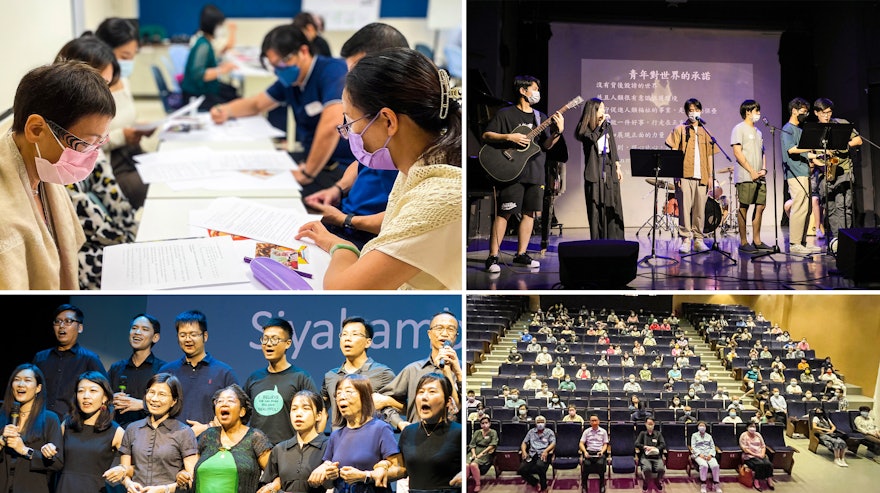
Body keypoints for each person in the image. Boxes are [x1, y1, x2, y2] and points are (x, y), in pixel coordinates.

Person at [295, 48, 462, 289]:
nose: (349, 134)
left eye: (351, 122)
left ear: (388, 121)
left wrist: (342, 247)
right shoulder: (416, 168)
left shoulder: (441, 195)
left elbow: (342, 290)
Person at [0, 61, 115, 289]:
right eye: (85, 144)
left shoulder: (40, 168)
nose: (91, 155)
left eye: (100, 143)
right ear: (36, 129)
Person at [211, 25, 355, 197]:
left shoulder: (332, 71)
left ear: (303, 51)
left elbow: (332, 124)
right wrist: (225, 110)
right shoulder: (291, 80)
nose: (280, 70)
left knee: (271, 194)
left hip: (339, 168)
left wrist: (307, 173)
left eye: (282, 62)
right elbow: (257, 104)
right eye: (273, 66)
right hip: (309, 159)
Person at [303, 23, 409, 249]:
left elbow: (404, 221)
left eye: (359, 71)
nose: (354, 81)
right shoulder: (373, 113)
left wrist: (345, 220)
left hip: (368, 237)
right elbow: (362, 161)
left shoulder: (409, 127)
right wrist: (338, 189)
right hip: (347, 218)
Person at [53, 35, 140, 289]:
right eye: (100, 84)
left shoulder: (92, 131)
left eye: (108, 85)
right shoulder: (56, 141)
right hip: (80, 259)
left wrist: (131, 233)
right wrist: (126, 245)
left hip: (107, 245)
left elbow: (111, 191)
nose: (106, 94)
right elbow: (85, 220)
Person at [481, 75, 563, 273]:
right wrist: (509, 137)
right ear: (523, 91)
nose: (537, 93)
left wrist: (558, 133)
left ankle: (521, 254)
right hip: (511, 171)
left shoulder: (540, 117)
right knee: (505, 212)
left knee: (530, 213)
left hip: (535, 171)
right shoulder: (505, 114)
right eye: (534, 89)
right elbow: (486, 135)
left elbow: (545, 145)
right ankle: (493, 257)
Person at [94, 16, 153, 210]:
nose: (130, 63)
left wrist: (140, 128)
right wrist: (122, 137)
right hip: (112, 167)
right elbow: (85, 146)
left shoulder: (123, 80)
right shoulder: (93, 90)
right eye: (125, 57)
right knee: (156, 186)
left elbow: (127, 119)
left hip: (132, 153)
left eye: (133, 56)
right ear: (104, 50)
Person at [104, 373, 198, 493]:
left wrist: (164, 489)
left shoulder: (183, 432)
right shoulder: (132, 429)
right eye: (151, 392)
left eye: (162, 394)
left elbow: (191, 479)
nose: (154, 399)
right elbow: (126, 470)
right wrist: (128, 484)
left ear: (174, 401)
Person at [309, 375, 404, 493]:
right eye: (338, 393)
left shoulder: (380, 428)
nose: (342, 397)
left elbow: (400, 470)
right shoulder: (335, 435)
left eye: (349, 392)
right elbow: (329, 483)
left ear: (364, 397)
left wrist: (365, 476)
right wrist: (327, 474)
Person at [376, 311, 461, 430]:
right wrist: (399, 423)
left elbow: (459, 408)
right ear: (429, 334)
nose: (444, 333)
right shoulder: (413, 370)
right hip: (415, 441)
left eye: (450, 329)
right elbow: (382, 401)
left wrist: (453, 372)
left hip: (451, 442)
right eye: (439, 328)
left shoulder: (461, 370)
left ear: (456, 336)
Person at [159, 310, 239, 434]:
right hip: (170, 444)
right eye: (183, 335)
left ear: (205, 336)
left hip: (210, 445)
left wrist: (208, 427)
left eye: (193, 334)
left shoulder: (224, 373)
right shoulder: (166, 372)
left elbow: (236, 414)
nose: (188, 339)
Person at [183, 384, 272, 492]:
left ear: (242, 411)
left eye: (230, 401)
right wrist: (182, 475)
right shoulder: (208, 436)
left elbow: (275, 473)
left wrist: (271, 488)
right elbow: (193, 473)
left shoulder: (255, 437)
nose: (224, 404)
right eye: (219, 401)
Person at [246, 317, 319, 444]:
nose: (268, 344)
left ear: (288, 343)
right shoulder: (254, 378)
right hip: (256, 452)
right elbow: (241, 413)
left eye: (274, 339)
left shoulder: (300, 377)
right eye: (265, 339)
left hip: (288, 453)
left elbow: (320, 415)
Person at [51, 372, 123, 492]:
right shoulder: (67, 424)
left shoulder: (115, 431)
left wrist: (123, 469)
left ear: (105, 397)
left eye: (93, 391)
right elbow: (54, 459)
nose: (86, 396)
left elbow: (135, 465)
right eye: (81, 391)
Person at [33, 304, 107, 419]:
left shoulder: (90, 359)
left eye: (68, 321)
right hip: (40, 420)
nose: (62, 326)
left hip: (71, 425)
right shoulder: (41, 358)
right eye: (58, 322)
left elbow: (105, 392)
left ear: (80, 328)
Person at [322, 316, 395, 430]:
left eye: (354, 334)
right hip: (339, 444)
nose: (347, 338)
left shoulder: (382, 373)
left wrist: (386, 401)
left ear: (368, 342)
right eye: (344, 334)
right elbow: (320, 410)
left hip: (370, 443)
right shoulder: (331, 376)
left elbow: (405, 408)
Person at [665, 98, 717, 253]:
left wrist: (710, 176)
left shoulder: (705, 131)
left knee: (700, 209)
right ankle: (686, 239)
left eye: (696, 109)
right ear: (687, 112)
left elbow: (709, 155)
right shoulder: (680, 129)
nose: (694, 112)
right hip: (684, 176)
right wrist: (676, 176)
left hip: (702, 176)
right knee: (684, 208)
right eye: (691, 110)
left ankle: (698, 239)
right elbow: (674, 152)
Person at [0, 364, 63, 493]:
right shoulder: (2, 416)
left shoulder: (50, 419)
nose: (20, 384)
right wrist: (1, 441)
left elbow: (58, 463)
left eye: (27, 380)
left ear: (38, 388)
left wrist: (24, 450)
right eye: (16, 379)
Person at [398, 374, 462, 493]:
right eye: (421, 392)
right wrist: (382, 467)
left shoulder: (459, 432)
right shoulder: (408, 432)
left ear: (448, 401)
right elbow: (400, 469)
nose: (424, 397)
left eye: (432, 392)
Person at [811, 97, 862, 242]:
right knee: (831, 208)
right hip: (825, 174)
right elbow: (812, 156)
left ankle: (846, 240)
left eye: (829, 112)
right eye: (823, 113)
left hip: (844, 171)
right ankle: (835, 240)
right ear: (816, 113)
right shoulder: (813, 131)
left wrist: (844, 145)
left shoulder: (841, 124)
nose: (827, 116)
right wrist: (822, 165)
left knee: (844, 207)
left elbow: (859, 140)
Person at [258, 390, 330, 493]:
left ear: (318, 415)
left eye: (305, 408)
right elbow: (265, 486)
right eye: (294, 409)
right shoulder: (280, 450)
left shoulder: (328, 446)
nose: (298, 414)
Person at [575, 97, 624, 239]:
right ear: (594, 110)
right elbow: (592, 138)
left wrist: (618, 166)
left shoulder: (607, 126)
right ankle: (597, 241)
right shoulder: (584, 128)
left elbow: (613, 147)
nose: (604, 110)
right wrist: (600, 125)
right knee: (596, 207)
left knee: (612, 204)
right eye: (601, 108)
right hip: (594, 170)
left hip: (609, 168)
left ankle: (615, 241)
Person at [109, 313, 167, 428]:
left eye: (144, 329)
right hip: (117, 432)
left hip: (150, 434)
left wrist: (142, 404)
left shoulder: (163, 369)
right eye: (134, 328)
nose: (137, 333)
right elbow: (102, 400)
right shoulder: (116, 368)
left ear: (155, 337)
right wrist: (111, 399)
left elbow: (170, 405)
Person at [781, 97, 821, 254]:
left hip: (804, 172)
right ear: (794, 111)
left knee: (807, 207)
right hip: (795, 173)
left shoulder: (800, 130)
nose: (805, 114)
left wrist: (817, 158)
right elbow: (791, 149)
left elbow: (804, 152)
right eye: (803, 111)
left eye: (806, 111)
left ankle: (803, 241)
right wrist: (809, 148)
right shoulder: (787, 129)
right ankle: (794, 243)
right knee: (799, 208)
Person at [181, 4, 239, 110]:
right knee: (234, 103)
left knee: (233, 92)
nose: (222, 28)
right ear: (213, 26)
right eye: (220, 25)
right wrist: (222, 70)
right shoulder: (203, 45)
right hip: (196, 96)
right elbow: (199, 75)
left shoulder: (205, 41)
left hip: (204, 90)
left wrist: (220, 67)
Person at [731, 99, 769, 253]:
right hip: (746, 176)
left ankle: (757, 240)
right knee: (744, 207)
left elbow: (762, 152)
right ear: (748, 112)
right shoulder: (739, 129)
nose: (758, 114)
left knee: (761, 206)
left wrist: (764, 169)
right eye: (756, 111)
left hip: (760, 176)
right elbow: (737, 152)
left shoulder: (759, 132)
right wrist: (751, 171)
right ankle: (744, 241)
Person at [519, 415, 555, 493]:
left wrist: (546, 451)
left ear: (545, 423)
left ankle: (544, 487)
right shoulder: (531, 432)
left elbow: (553, 443)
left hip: (544, 454)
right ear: (535, 423)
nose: (540, 424)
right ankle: (535, 482)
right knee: (521, 470)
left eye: (542, 422)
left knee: (540, 466)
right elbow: (524, 442)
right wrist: (524, 451)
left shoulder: (549, 432)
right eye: (538, 422)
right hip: (532, 454)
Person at [739, 424, 775, 490]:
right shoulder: (743, 435)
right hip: (749, 456)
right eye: (751, 426)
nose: (753, 428)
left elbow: (763, 446)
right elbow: (745, 449)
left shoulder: (758, 435)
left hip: (760, 454)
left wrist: (762, 453)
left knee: (769, 464)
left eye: (754, 427)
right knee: (760, 464)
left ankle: (769, 479)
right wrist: (756, 455)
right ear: (747, 427)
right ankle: (756, 480)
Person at [634, 417, 665, 492]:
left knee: (661, 469)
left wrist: (656, 448)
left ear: (654, 424)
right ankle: (646, 482)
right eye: (648, 424)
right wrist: (644, 447)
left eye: (651, 424)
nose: (650, 426)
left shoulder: (658, 434)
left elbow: (663, 444)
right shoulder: (642, 434)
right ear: (646, 424)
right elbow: (636, 443)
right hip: (646, 457)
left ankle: (657, 481)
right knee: (647, 469)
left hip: (657, 457)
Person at [467, 415, 497, 492]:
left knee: (473, 465)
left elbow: (492, 445)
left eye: (486, 423)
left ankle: (477, 484)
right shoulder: (477, 432)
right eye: (482, 423)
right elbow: (472, 444)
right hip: (475, 450)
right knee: (466, 465)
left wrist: (482, 453)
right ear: (480, 425)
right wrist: (473, 453)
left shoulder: (493, 432)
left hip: (486, 451)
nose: (484, 424)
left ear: (489, 423)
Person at [580, 414, 609, 493]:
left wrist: (602, 452)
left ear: (598, 421)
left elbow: (605, 444)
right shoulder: (586, 431)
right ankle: (584, 485)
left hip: (599, 452)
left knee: (600, 464)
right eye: (592, 421)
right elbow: (581, 443)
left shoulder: (603, 431)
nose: (594, 422)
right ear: (590, 422)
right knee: (586, 465)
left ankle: (602, 484)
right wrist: (585, 452)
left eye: (595, 420)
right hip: (589, 452)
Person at [690, 421, 721, 493]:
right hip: (699, 455)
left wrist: (711, 455)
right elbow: (693, 447)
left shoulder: (709, 436)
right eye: (700, 425)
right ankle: (703, 484)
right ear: (698, 427)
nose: (702, 427)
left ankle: (716, 483)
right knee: (704, 465)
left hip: (709, 454)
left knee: (715, 465)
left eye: (703, 426)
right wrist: (700, 454)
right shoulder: (694, 435)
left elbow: (712, 447)